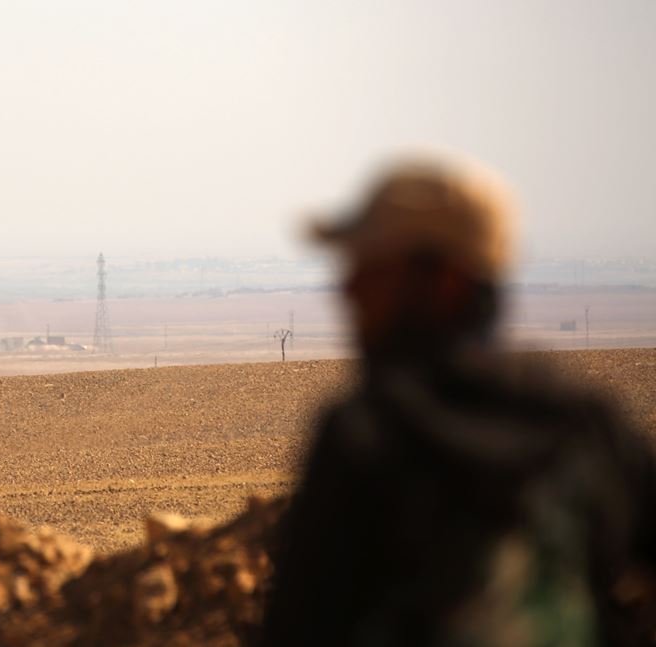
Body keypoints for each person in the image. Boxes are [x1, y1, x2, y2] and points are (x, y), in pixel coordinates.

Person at [261, 157, 656, 646]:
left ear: (446, 280)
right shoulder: (587, 426)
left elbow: (299, 628)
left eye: (372, 268)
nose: (348, 288)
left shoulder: (369, 436)